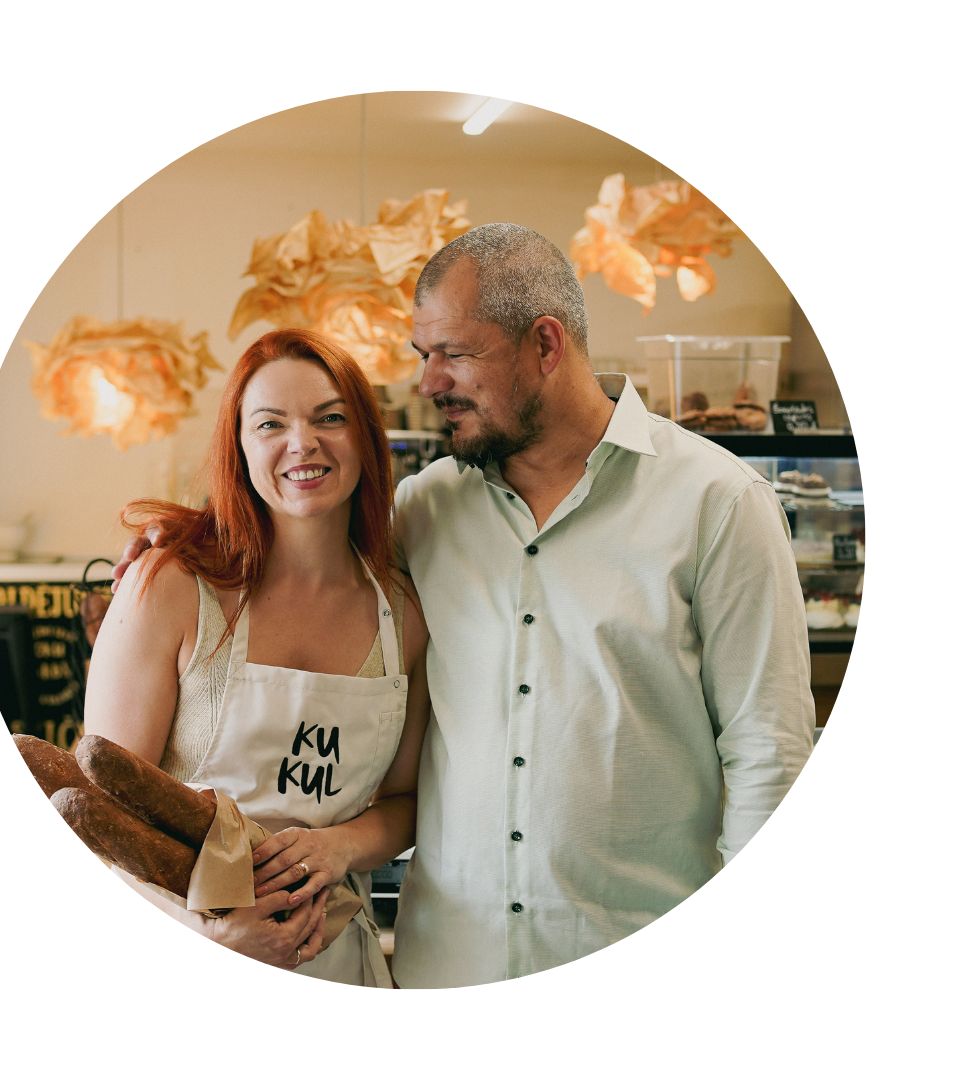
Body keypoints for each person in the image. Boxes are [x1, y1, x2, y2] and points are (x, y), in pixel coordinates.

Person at [115, 225, 815, 989]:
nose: (429, 383)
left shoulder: (718, 504)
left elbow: (769, 756)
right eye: (423, 355)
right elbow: (296, 524)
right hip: (450, 962)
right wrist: (175, 543)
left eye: (453, 353)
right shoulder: (425, 511)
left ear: (545, 344)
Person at [90, 327, 430, 988]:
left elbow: (404, 800)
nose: (302, 443)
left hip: (337, 959)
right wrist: (212, 932)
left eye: (330, 418)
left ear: (365, 436)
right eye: (270, 424)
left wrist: (338, 845)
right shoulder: (172, 587)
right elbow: (104, 814)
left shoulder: (405, 614)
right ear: (239, 447)